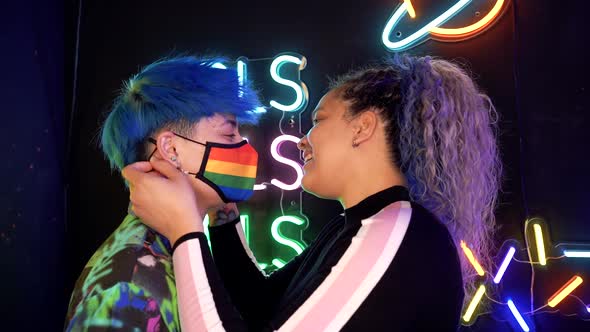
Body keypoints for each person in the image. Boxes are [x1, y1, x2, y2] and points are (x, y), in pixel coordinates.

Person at [122, 55, 502, 331]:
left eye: (318, 120)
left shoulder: (396, 231)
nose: (302, 141)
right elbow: (259, 306)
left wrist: (185, 230)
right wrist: (222, 216)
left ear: (362, 127)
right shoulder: (356, 227)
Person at [64, 56, 263, 331]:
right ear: (171, 150)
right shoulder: (129, 287)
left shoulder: (176, 250)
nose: (244, 146)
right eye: (229, 135)